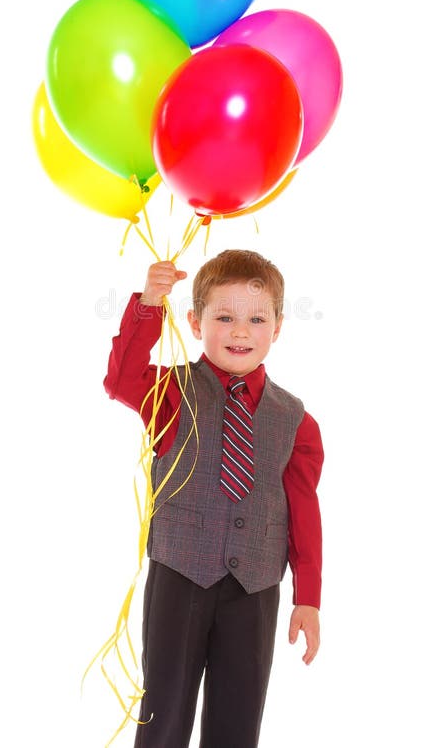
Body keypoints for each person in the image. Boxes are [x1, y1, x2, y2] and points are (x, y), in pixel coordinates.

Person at [105, 249, 324, 748]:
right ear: (196, 322)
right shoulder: (172, 393)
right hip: (180, 575)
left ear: (278, 326)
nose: (240, 331)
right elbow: (120, 380)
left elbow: (304, 510)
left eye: (256, 318)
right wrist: (149, 303)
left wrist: (307, 597)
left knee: (238, 717)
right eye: (224, 317)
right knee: (164, 709)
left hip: (255, 587)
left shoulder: (296, 419)